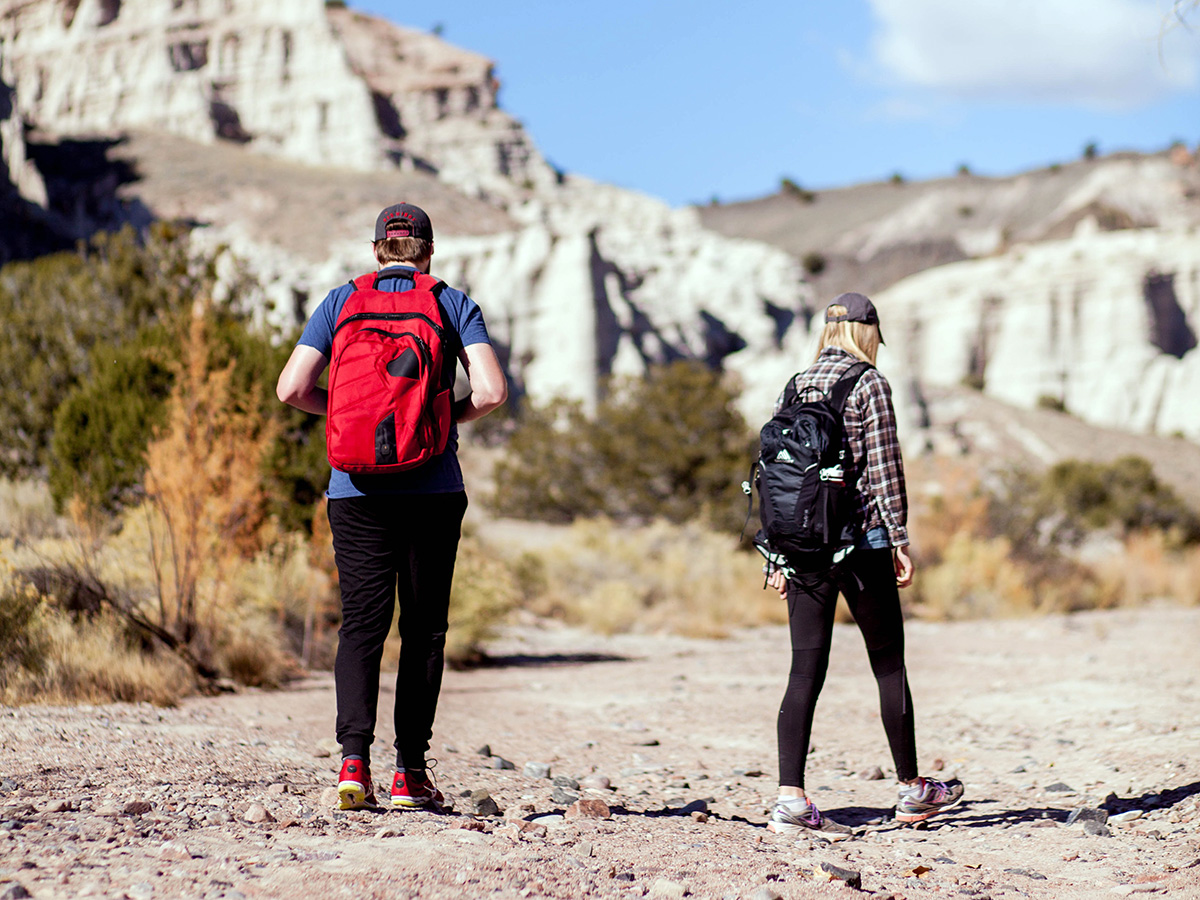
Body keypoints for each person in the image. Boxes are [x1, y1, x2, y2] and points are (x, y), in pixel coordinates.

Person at [276, 202, 507, 810]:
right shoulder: (452, 304)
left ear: (378, 249)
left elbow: (291, 388)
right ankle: (410, 772)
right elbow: (491, 391)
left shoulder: (339, 302)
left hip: (354, 490)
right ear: (428, 251)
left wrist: (353, 418)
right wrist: (439, 421)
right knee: (424, 629)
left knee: (361, 626)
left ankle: (354, 764)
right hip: (433, 488)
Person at [762, 292, 964, 837]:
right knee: (888, 665)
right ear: (867, 331)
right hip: (861, 544)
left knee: (804, 669)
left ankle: (790, 800)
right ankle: (911, 791)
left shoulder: (796, 384)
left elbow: (777, 479)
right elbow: (884, 469)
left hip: (803, 549)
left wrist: (777, 554)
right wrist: (897, 539)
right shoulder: (869, 383)